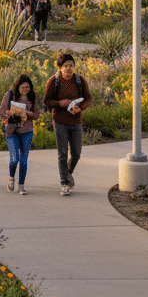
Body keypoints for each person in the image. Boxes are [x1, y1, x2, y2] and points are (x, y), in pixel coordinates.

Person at [43, 52, 92, 196]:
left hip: (76, 121)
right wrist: (60, 103)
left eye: (71, 65)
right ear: (60, 67)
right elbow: (46, 101)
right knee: (62, 153)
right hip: (60, 121)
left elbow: (88, 99)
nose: (69, 68)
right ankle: (64, 183)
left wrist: (80, 108)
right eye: (65, 66)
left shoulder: (80, 81)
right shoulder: (54, 81)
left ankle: (68, 172)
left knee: (76, 153)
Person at [0, 73, 41, 196]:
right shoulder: (10, 94)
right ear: (18, 87)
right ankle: (11, 178)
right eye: (22, 87)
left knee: (23, 159)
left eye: (27, 87)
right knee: (14, 158)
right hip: (12, 131)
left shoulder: (32, 96)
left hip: (27, 131)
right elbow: (1, 111)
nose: (25, 90)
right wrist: (11, 113)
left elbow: (37, 114)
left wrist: (26, 112)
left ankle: (21, 186)